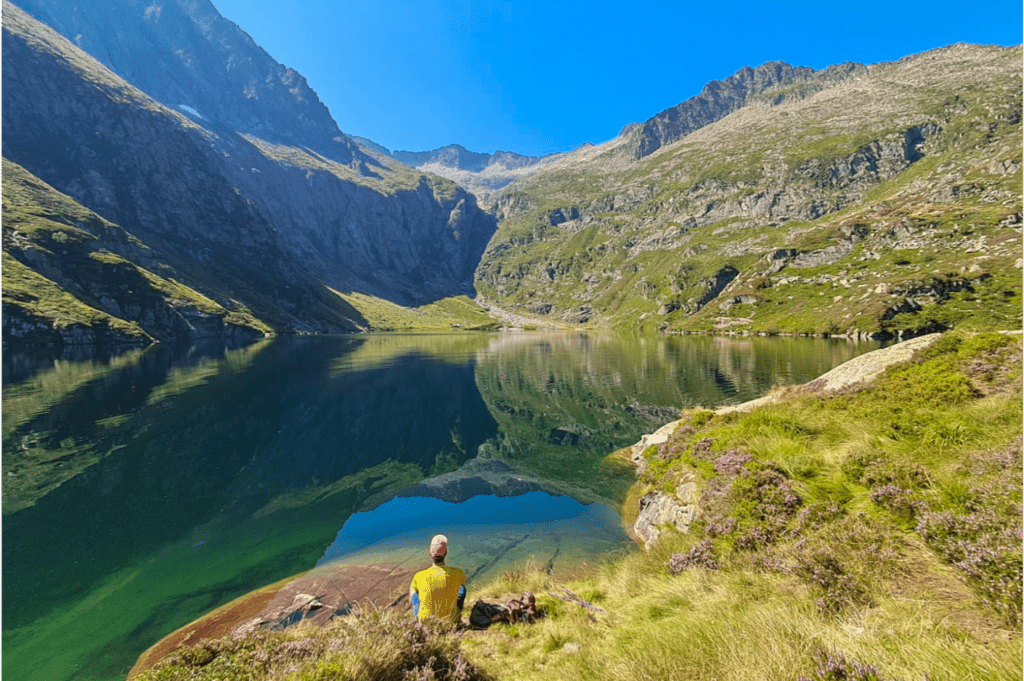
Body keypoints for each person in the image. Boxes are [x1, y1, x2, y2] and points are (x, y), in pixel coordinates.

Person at [409, 534, 467, 622]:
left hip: (426, 623)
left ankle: (417, 617)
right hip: (451, 622)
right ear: (446, 553)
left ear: (429, 555)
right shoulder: (458, 572)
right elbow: (461, 586)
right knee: (462, 589)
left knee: (413, 589)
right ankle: (457, 617)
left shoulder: (419, 575)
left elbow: (412, 598)